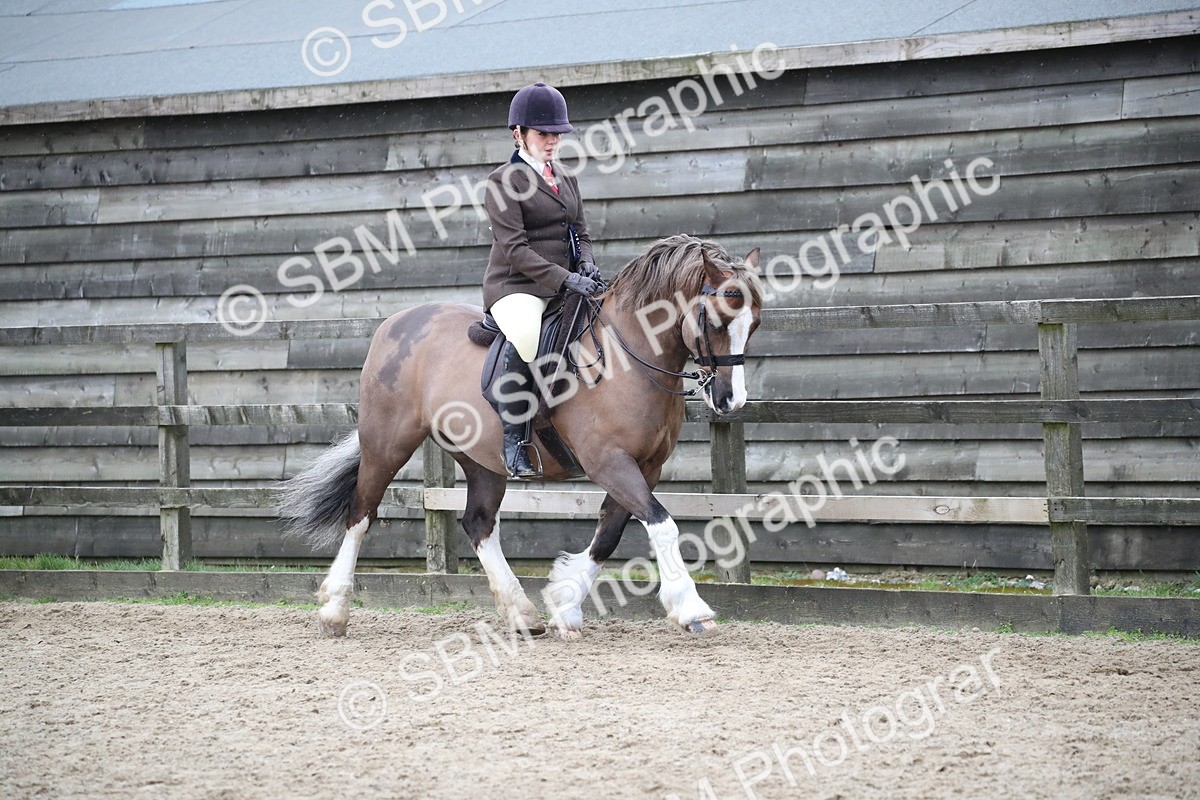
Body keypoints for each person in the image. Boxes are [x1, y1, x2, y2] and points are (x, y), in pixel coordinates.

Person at [482, 82, 602, 478]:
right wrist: (567, 279)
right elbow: (515, 249)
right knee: (528, 338)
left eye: (557, 135)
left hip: (566, 280)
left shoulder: (565, 178)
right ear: (518, 134)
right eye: (543, 134)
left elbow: (581, 233)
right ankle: (514, 442)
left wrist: (584, 264)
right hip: (517, 286)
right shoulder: (504, 182)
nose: (552, 142)